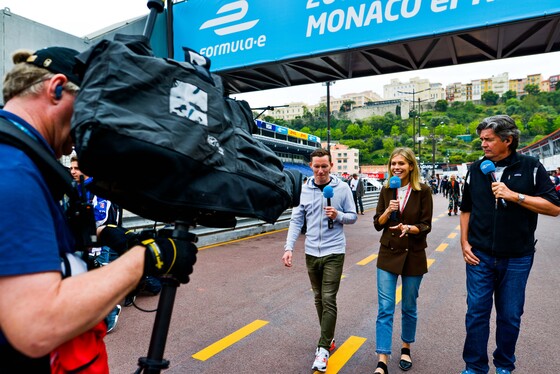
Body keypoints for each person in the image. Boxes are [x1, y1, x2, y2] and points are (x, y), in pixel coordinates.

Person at [0, 46, 197, 372]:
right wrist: (144, 259)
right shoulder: (12, 169)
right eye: (90, 106)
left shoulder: (23, 159)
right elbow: (35, 325)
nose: (93, 122)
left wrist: (114, 238)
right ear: (57, 88)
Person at [459, 115, 560, 374]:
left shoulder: (531, 167)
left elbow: (553, 208)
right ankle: (474, 367)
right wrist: (464, 243)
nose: (483, 144)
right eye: (481, 139)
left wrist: (515, 196)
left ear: (508, 139)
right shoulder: (476, 169)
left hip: (517, 256)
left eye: (489, 139)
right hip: (479, 255)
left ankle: (504, 365)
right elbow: (466, 209)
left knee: (510, 316)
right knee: (476, 315)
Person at [282, 148, 357, 373]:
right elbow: (296, 221)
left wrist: (339, 215)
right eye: (317, 166)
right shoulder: (304, 189)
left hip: (334, 251)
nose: (321, 170)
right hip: (311, 252)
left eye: (325, 166)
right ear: (311, 166)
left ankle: (323, 348)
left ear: (331, 166)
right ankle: (329, 337)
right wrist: (288, 248)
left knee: (328, 297)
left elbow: (352, 216)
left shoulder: (342, 188)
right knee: (318, 299)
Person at [372, 147, 433, 374]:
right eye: (393, 164)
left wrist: (410, 228)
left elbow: (427, 224)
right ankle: (382, 360)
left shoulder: (423, 190)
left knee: (409, 307)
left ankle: (406, 347)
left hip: (414, 255)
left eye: (401, 163)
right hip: (388, 253)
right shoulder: (387, 189)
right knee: (385, 308)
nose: (396, 167)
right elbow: (378, 223)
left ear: (411, 166)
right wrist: (388, 211)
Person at [70, 155, 123, 333]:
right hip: (81, 243)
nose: (72, 171)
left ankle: (111, 310)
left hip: (98, 244)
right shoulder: (76, 188)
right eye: (71, 168)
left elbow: (100, 219)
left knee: (100, 281)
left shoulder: (97, 189)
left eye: (76, 168)